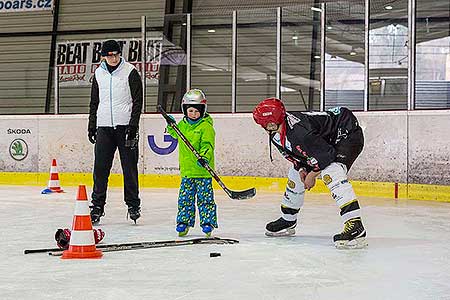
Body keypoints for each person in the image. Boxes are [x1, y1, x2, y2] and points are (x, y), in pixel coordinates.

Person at [253, 98, 367, 249]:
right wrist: (301, 169)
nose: (263, 127)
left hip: (346, 133)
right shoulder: (276, 133)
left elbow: (327, 155)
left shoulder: (301, 132)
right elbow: (296, 154)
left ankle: (355, 225)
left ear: (272, 122)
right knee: (295, 175)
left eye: (264, 123)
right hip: (323, 139)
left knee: (331, 172)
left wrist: (312, 175)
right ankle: (288, 219)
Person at [88, 39, 143, 224]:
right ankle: (97, 206)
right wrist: (92, 124)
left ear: (120, 54)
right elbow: (94, 101)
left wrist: (133, 125)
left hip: (125, 126)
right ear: (103, 56)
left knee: (129, 168)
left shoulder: (130, 72)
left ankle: (133, 205)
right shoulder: (98, 74)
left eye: (116, 54)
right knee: (100, 169)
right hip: (104, 127)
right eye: (109, 55)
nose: (113, 58)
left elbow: (138, 101)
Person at [165, 89, 217, 237]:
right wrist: (171, 125)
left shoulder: (206, 127)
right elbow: (175, 134)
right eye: (190, 111)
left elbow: (208, 145)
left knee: (205, 199)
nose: (193, 114)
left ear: (202, 110)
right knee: (185, 199)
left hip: (202, 172)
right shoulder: (183, 125)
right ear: (185, 110)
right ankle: (184, 222)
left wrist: (204, 157)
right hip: (187, 171)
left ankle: (207, 222)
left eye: (196, 111)